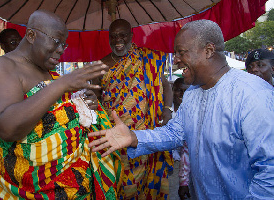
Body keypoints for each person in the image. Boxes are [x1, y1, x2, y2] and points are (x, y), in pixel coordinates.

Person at [88, 19, 274, 199]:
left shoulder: (253, 95)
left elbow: (269, 172)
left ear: (208, 50)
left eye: (181, 52)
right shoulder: (193, 93)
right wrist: (133, 137)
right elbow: (175, 134)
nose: (175, 60)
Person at [0, 10, 123, 199]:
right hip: (34, 188)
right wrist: (62, 84)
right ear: (31, 35)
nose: (61, 50)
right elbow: (7, 128)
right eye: (56, 41)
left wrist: (84, 104)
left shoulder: (48, 73)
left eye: (64, 44)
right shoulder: (2, 66)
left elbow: (55, 112)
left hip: (77, 185)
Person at [95, 19, 174, 199]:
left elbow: (165, 85)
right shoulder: (101, 65)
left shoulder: (146, 58)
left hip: (144, 136)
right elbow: (94, 99)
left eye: (123, 35)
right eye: (113, 36)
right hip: (113, 136)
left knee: (145, 183)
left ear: (131, 36)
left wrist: (167, 110)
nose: (118, 40)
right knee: (119, 183)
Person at [169, 78, 190, 200]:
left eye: (185, 91)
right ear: (172, 90)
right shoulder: (164, 112)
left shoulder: (192, 113)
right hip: (167, 166)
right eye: (178, 90)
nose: (181, 94)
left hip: (185, 169)